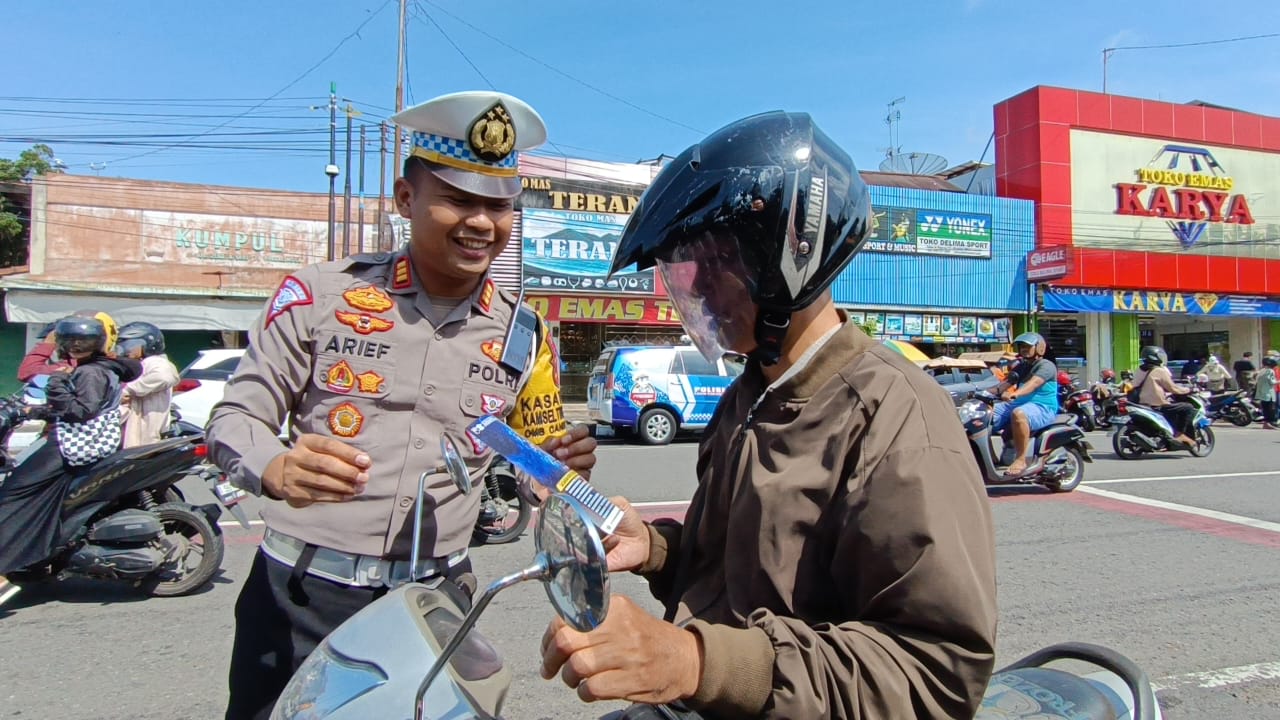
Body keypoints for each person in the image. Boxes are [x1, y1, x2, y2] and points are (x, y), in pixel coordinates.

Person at [538, 111, 997, 719]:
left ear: (788, 254)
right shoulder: (748, 396)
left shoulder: (894, 418)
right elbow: (740, 576)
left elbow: (935, 671)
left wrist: (694, 660)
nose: (700, 290)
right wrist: (653, 546)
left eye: (715, 263)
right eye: (689, 271)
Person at [206, 90, 598, 720]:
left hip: (437, 604)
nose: (482, 223)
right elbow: (235, 416)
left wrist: (555, 470)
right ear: (405, 198)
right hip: (303, 596)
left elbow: (533, 460)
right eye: (459, 199)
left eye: (499, 205)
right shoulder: (319, 296)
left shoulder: (525, 335)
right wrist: (274, 467)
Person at [0, 314, 141, 609]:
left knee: (12, 494)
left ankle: (5, 568)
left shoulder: (90, 372)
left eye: (79, 341)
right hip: (80, 443)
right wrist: (36, 411)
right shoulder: (99, 367)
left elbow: (81, 411)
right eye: (72, 341)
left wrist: (57, 384)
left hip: (70, 447)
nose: (74, 346)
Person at [990, 332, 1060, 476]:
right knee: (985, 413)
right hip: (1017, 404)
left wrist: (1015, 394)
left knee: (1019, 414)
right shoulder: (1021, 366)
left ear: (1039, 348)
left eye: (1027, 346)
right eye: (1021, 346)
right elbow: (1002, 386)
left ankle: (1020, 460)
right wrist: (978, 393)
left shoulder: (1047, 366)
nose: (1023, 349)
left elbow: (1034, 383)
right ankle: (989, 458)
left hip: (1042, 407)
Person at [116, 321, 180, 448]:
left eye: (131, 345)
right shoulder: (138, 364)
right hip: (134, 435)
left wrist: (128, 390)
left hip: (145, 437)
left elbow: (165, 376)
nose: (127, 350)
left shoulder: (155, 361)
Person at [16, 310, 118, 382]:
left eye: (84, 339)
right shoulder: (115, 365)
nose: (76, 344)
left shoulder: (74, 367)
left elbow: (26, 373)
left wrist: (48, 343)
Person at [1132, 345, 1196, 447]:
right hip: (1157, 405)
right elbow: (1173, 389)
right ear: (1155, 357)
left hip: (1141, 404)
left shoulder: (1139, 370)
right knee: (1188, 407)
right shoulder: (1159, 371)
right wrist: (1189, 389)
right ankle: (1180, 434)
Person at [1252, 356, 1277, 430]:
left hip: (1262, 393)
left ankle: (1266, 424)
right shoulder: (1270, 371)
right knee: (1270, 409)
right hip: (1269, 393)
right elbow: (1272, 382)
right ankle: (1268, 423)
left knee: (1265, 409)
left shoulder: (1261, 371)